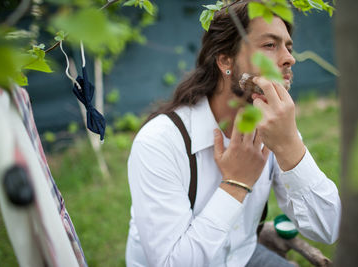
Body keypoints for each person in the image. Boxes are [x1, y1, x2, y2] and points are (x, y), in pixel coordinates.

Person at [125, 1, 341, 266]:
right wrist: (236, 183)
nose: (288, 58)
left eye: (289, 46)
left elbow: (327, 229)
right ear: (226, 60)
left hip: (243, 256)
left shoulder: (274, 130)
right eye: (270, 45)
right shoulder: (159, 142)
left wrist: (290, 146)